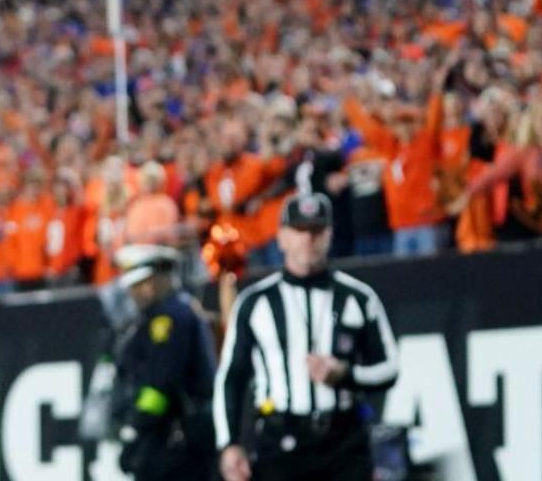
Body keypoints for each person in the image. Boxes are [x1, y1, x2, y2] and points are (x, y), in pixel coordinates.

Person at [215, 194, 399, 481]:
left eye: (316, 230)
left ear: (329, 235)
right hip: (280, 441)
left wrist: (346, 374)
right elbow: (231, 377)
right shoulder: (255, 303)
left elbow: (389, 368)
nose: (308, 239)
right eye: (299, 230)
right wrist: (229, 444)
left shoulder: (358, 298)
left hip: (343, 440)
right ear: (282, 237)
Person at [109, 246, 214, 480]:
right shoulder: (159, 316)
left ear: (156, 280)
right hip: (170, 437)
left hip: (176, 439)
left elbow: (160, 382)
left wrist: (137, 429)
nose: (135, 293)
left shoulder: (170, 318)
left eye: (140, 285)